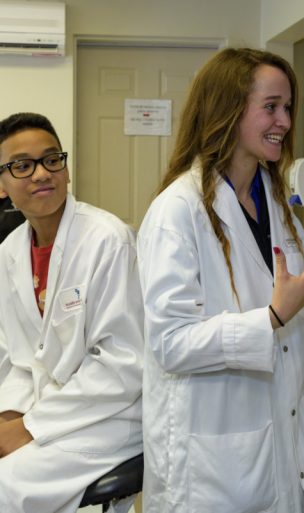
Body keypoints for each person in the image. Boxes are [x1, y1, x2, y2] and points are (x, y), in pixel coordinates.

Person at [137, 48, 304, 513]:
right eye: (271, 106)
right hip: (219, 456)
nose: (285, 121)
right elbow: (170, 343)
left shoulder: (275, 203)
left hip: (293, 430)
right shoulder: (177, 211)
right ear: (228, 110)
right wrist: (272, 317)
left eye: (288, 107)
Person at [0, 112, 144, 513]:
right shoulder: (8, 254)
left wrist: (29, 427)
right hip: (45, 409)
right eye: (22, 166)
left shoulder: (108, 240)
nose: (41, 174)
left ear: (65, 169)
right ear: (2, 184)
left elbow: (123, 365)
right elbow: (18, 358)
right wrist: (9, 417)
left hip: (109, 417)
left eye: (51, 160)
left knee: (5, 488)